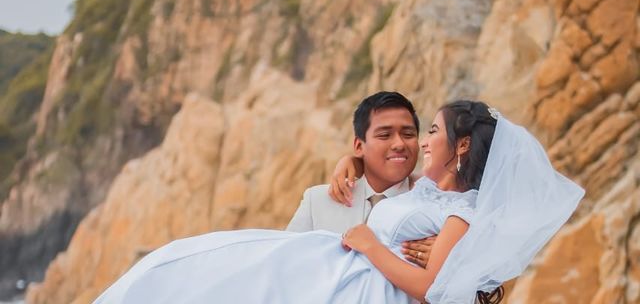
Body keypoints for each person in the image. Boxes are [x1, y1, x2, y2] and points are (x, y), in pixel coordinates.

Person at [94, 100, 584, 304]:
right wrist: (348, 165)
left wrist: (373, 246)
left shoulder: (460, 213)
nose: (419, 142)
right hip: (319, 270)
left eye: (429, 131)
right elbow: (397, 180)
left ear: (461, 146)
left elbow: (434, 287)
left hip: (354, 288)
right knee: (205, 270)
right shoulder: (425, 191)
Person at [286, 91, 435, 268]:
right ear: (358, 146)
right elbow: (285, 264)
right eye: (384, 135)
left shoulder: (432, 206)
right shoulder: (317, 201)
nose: (399, 144)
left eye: (408, 134)